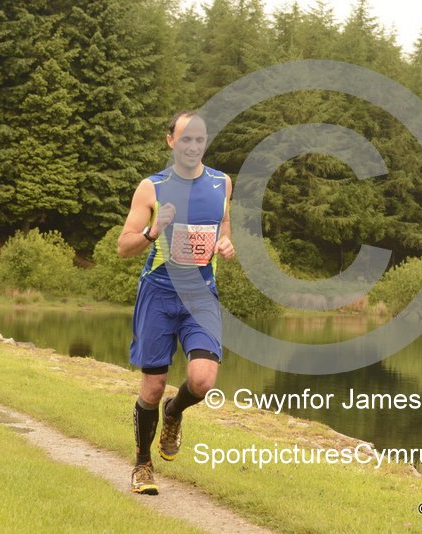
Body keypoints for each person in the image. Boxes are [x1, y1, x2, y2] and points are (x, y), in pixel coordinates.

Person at [116, 111, 234, 494]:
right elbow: (123, 247)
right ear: (171, 142)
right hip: (159, 293)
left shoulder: (222, 183)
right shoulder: (151, 187)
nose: (193, 146)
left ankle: (174, 411)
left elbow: (223, 226)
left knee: (202, 380)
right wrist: (153, 232)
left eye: (199, 139)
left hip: (201, 295)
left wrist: (226, 243)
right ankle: (142, 464)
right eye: (185, 139)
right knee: (152, 386)